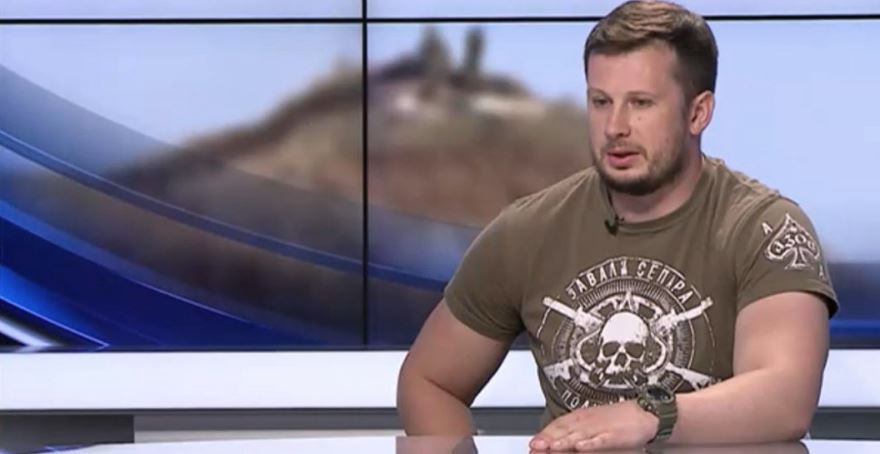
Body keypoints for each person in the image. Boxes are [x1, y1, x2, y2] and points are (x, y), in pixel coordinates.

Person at [396, 0, 838, 452]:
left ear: (698, 113)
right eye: (600, 102)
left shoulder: (765, 229)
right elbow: (430, 381)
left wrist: (650, 417)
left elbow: (784, 399)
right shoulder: (526, 231)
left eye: (640, 103)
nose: (615, 127)